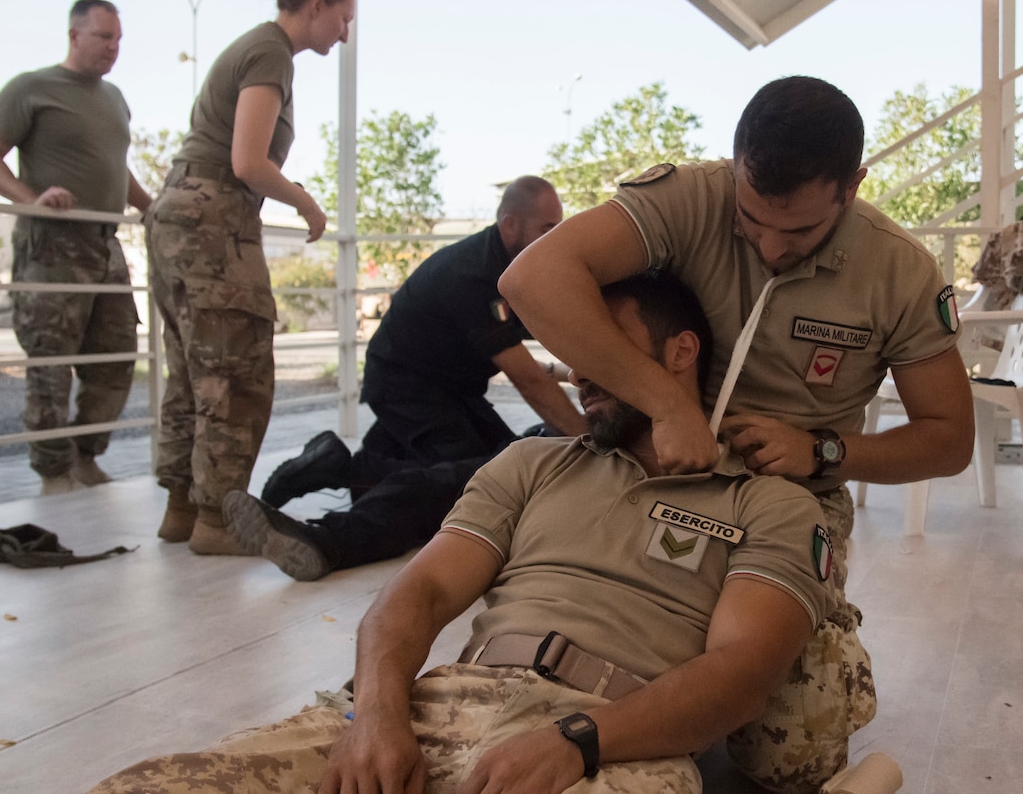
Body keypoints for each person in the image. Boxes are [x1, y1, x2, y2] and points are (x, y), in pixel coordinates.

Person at [85, 270, 838, 794]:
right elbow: (419, 590)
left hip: (613, 741)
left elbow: (741, 675)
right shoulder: (534, 463)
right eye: (575, 348)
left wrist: (579, 739)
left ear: (680, 354)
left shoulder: (768, 503)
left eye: (605, 345)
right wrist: (376, 715)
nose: (580, 367)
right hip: (440, 701)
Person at [499, 75, 971, 790]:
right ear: (734, 167)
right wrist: (667, 402)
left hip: (787, 502)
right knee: (575, 657)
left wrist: (824, 449)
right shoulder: (691, 195)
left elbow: (950, 437)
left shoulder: (900, 270)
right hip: (650, 467)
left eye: (801, 230)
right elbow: (533, 278)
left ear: (853, 186)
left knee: (789, 754)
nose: (772, 247)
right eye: (752, 221)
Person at [148, 0, 355, 555]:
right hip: (213, 218)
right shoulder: (271, 53)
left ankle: (182, 508)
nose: (344, 34)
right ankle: (216, 520)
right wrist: (306, 203)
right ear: (316, 5)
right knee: (236, 373)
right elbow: (249, 162)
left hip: (178, 213)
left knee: (193, 371)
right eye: (343, 19)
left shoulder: (258, 48)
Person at [248, 175, 585, 523]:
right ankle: (340, 467)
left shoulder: (512, 266)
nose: (553, 240)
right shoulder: (474, 276)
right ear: (511, 226)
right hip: (404, 384)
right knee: (476, 480)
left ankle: (361, 470)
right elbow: (527, 379)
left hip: (451, 389)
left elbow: (560, 329)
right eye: (547, 228)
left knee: (499, 460)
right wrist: (589, 439)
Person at [0, 0, 154, 496]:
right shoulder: (31, 89)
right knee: (50, 363)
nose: (113, 48)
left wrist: (151, 208)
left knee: (115, 357)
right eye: (103, 37)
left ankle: (86, 456)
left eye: (118, 38)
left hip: (106, 243)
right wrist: (33, 200)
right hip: (51, 245)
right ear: (74, 36)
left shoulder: (115, 98)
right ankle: (53, 471)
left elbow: (115, 168)